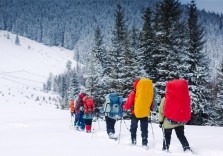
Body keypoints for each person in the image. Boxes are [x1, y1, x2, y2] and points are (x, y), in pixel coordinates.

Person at [158, 79, 191, 152]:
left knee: (167, 136)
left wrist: (160, 121)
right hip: (180, 121)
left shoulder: (166, 98)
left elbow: (161, 111)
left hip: (168, 121)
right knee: (181, 135)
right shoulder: (184, 98)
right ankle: (186, 148)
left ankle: (165, 149)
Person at [123, 78, 154, 148]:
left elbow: (129, 103)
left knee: (133, 128)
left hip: (135, 112)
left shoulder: (134, 92)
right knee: (144, 128)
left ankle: (133, 141)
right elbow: (151, 102)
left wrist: (124, 107)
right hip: (145, 112)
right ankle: (144, 143)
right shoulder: (149, 92)